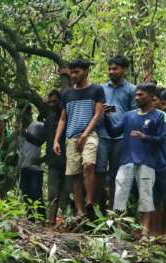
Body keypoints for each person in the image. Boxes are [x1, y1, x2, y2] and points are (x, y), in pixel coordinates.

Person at [103, 83, 166, 234]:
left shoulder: (159, 116)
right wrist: (105, 117)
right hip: (126, 161)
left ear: (151, 97)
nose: (137, 97)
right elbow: (113, 132)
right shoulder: (128, 115)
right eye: (136, 95)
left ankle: (144, 232)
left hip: (147, 162)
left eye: (141, 95)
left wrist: (145, 137)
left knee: (146, 197)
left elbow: (161, 140)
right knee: (120, 195)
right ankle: (118, 231)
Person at [53, 58, 106, 218]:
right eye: (72, 72)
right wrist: (56, 140)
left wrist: (84, 135)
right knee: (75, 175)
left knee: (89, 164)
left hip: (89, 135)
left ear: (86, 71)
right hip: (71, 138)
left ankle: (89, 201)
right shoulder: (67, 93)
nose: (74, 75)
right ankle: (80, 210)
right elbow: (63, 118)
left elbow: (98, 114)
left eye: (77, 72)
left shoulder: (96, 90)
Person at [97, 56, 137, 209]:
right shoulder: (101, 88)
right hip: (102, 134)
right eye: (110, 69)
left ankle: (113, 210)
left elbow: (133, 113)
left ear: (124, 70)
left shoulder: (132, 90)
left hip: (121, 137)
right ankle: (98, 209)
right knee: (99, 172)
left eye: (115, 69)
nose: (111, 72)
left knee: (115, 174)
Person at [43, 90, 70, 222]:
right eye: (50, 102)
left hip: (67, 160)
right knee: (53, 193)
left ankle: (61, 219)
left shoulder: (68, 117)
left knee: (65, 192)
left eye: (55, 101)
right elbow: (45, 139)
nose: (53, 104)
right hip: (53, 161)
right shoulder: (49, 119)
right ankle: (51, 220)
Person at [18, 106, 45, 203]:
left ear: (30, 114)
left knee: (36, 195)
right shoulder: (21, 130)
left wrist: (42, 159)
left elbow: (42, 141)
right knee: (26, 197)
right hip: (24, 167)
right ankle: (30, 218)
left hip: (35, 168)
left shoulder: (38, 125)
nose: (22, 118)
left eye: (24, 115)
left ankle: (41, 218)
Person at [156, 88, 166, 237]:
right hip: (159, 164)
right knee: (158, 199)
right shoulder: (161, 120)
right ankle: (158, 231)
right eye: (164, 104)